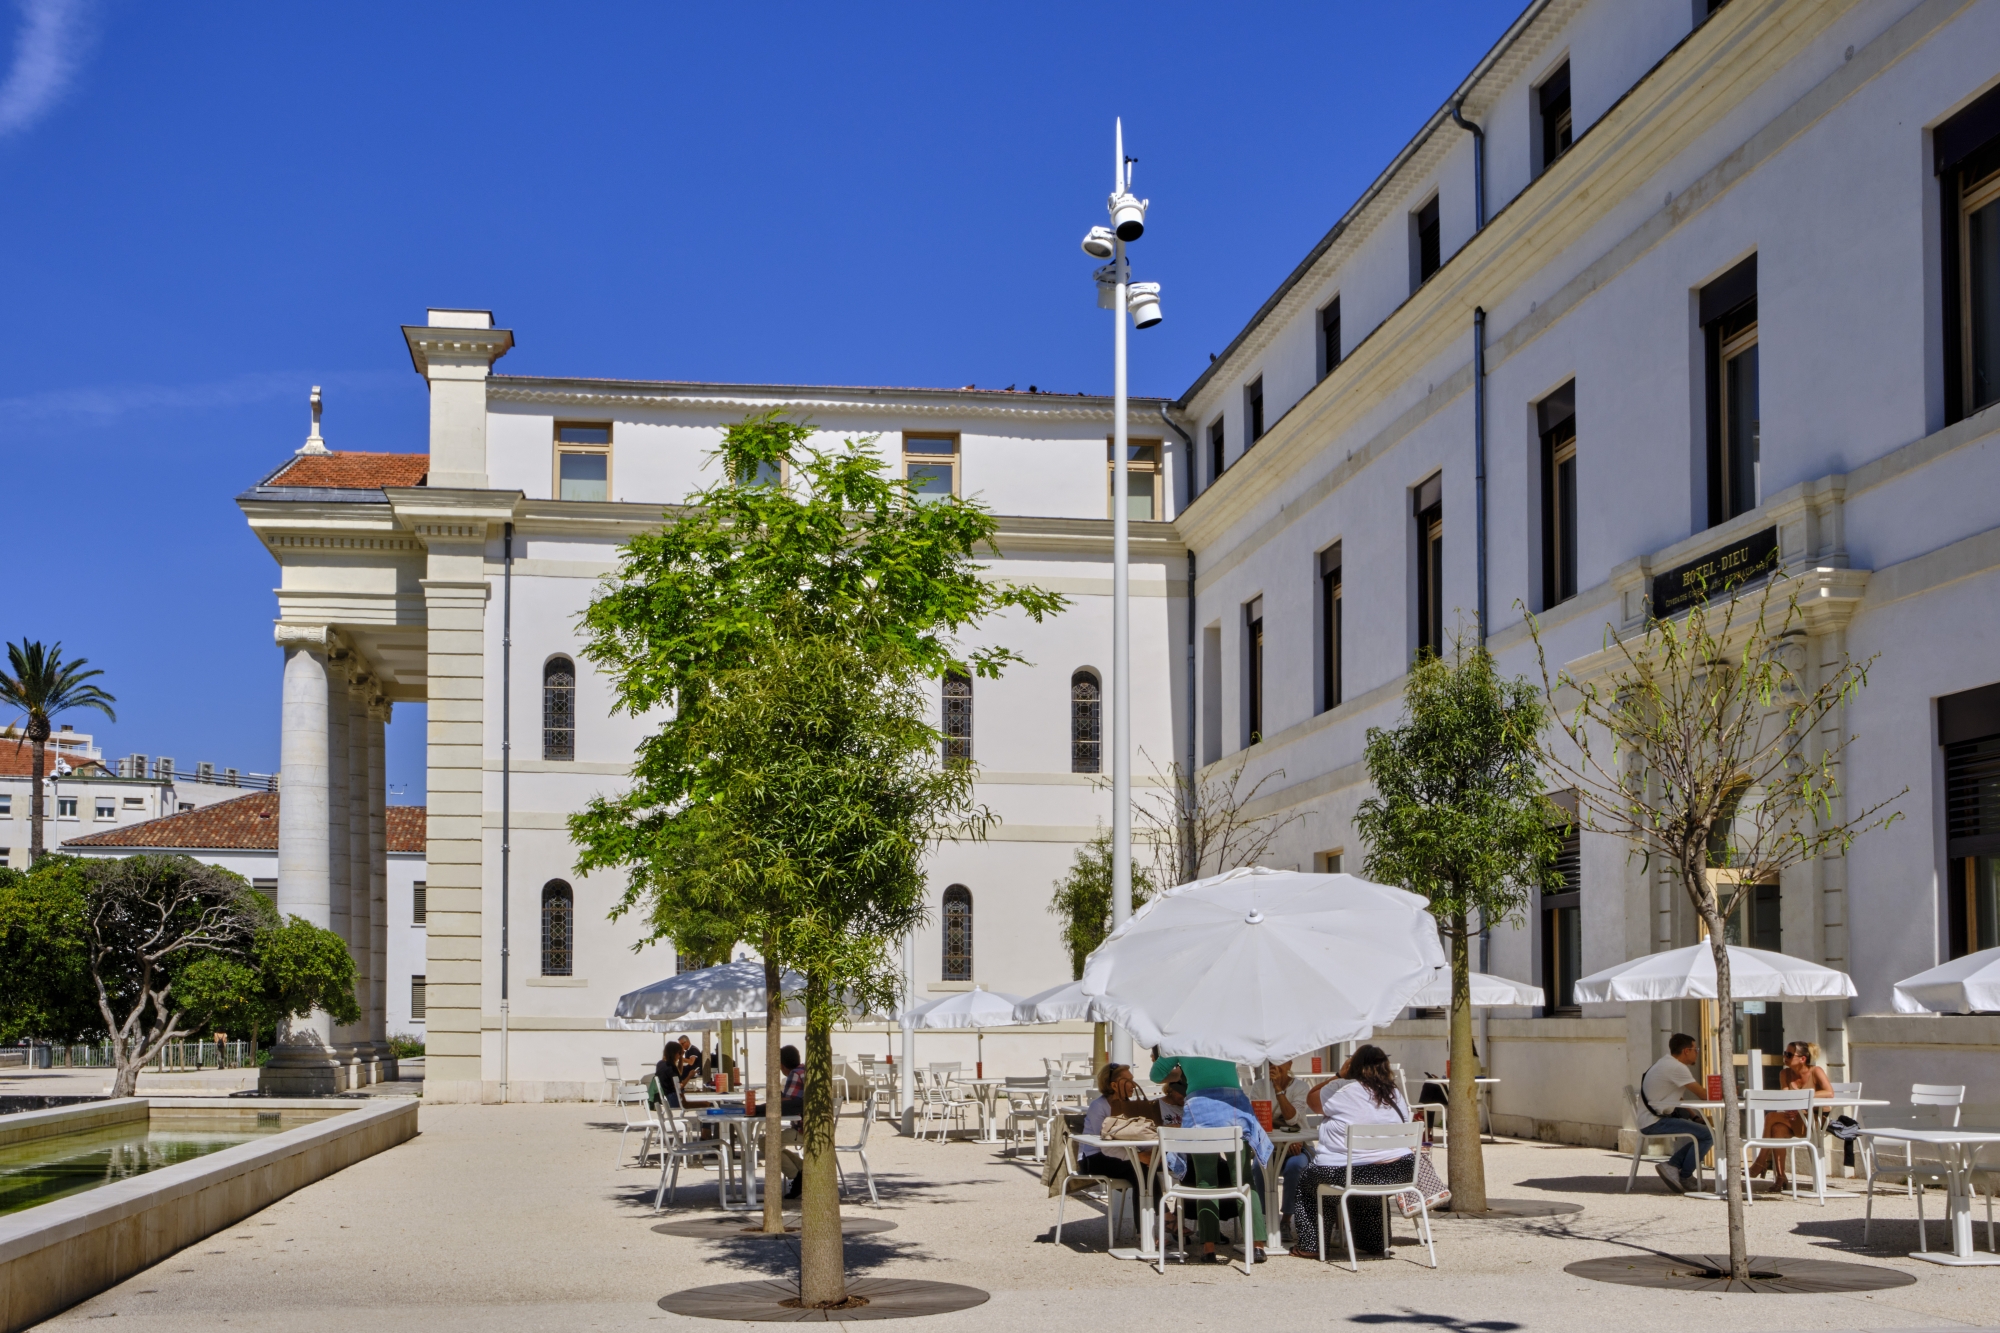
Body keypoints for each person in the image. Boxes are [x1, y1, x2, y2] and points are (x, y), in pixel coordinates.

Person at [1286, 1044, 1415, 1261]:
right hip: (1400, 1169)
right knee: (1367, 1181)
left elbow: (1312, 1100)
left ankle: (1312, 1245)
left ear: (1352, 1066)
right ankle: (1374, 1242)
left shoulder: (1342, 1089)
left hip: (1352, 1172)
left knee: (1310, 1181)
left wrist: (1338, 1075)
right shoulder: (1394, 1093)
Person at [1152, 1054, 1271, 1264]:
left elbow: (1156, 1075)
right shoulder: (1226, 1032)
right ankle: (1257, 1246)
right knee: (1243, 1180)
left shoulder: (1179, 1040)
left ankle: (1208, 1248)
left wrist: (1181, 1070)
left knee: (1205, 1181)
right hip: (1236, 1108)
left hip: (1199, 1110)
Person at [1750, 1040, 1834, 1186]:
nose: (1785, 1057)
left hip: (1814, 1120)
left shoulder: (1816, 1071)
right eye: (1785, 1054)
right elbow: (1786, 1097)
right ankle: (1781, 1177)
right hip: (1794, 1118)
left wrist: (1800, 1095)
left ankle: (1760, 1161)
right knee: (1777, 1129)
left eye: (1789, 1054)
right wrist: (1793, 1106)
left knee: (1770, 1117)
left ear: (1802, 1059)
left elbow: (1829, 1093)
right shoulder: (1784, 1074)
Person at [1638, 1032, 1710, 1194]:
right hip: (1655, 1122)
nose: (1697, 1052)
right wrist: (1729, 1094)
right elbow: (1704, 1095)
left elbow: (1678, 1096)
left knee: (1704, 1133)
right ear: (1686, 1051)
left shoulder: (1664, 1063)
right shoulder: (1677, 1068)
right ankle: (1684, 1175)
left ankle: (1673, 1166)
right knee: (1707, 1136)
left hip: (1650, 1119)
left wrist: (1694, 1117)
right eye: (1695, 1049)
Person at [1076, 1062, 1164, 1194]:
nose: (1133, 1085)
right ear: (1114, 1085)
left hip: (1129, 1153)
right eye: (1128, 1081)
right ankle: (1161, 1214)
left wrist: (1153, 1155)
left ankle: (1182, 1212)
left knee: (1179, 1164)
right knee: (1140, 1171)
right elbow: (1104, 1145)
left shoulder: (1130, 1106)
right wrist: (1139, 1156)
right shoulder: (1099, 1106)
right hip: (1094, 1157)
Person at [774, 1044, 806, 1198]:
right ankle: (803, 1169)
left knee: (767, 1143)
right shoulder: (805, 1070)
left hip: (802, 1130)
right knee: (773, 1143)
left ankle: (796, 1175)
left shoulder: (795, 1074)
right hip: (814, 1129)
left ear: (781, 1065)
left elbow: (789, 1104)